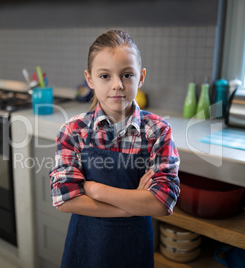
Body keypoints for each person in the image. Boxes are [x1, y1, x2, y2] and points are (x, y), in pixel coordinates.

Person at [49, 30, 180, 268]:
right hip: (85, 249)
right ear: (90, 79)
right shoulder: (74, 130)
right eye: (105, 76)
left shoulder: (158, 131)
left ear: (141, 77)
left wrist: (95, 190)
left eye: (127, 75)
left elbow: (162, 203)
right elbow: (64, 199)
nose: (117, 85)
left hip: (133, 251)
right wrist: (130, 208)